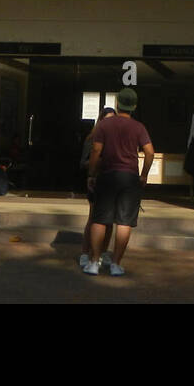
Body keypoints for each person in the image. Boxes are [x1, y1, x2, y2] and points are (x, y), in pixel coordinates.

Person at [84, 88, 154, 276]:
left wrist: (92, 174)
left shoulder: (104, 126)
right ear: (134, 106)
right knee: (124, 221)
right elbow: (149, 152)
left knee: (100, 219)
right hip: (130, 176)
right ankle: (115, 264)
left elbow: (96, 151)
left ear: (117, 104)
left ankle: (94, 262)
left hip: (107, 174)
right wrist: (144, 174)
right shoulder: (139, 127)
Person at [78, 107, 116, 270]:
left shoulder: (117, 139)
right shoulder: (92, 138)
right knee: (93, 217)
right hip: (96, 180)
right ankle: (86, 253)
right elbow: (84, 162)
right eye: (106, 120)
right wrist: (98, 161)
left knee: (110, 220)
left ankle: (104, 252)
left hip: (113, 180)